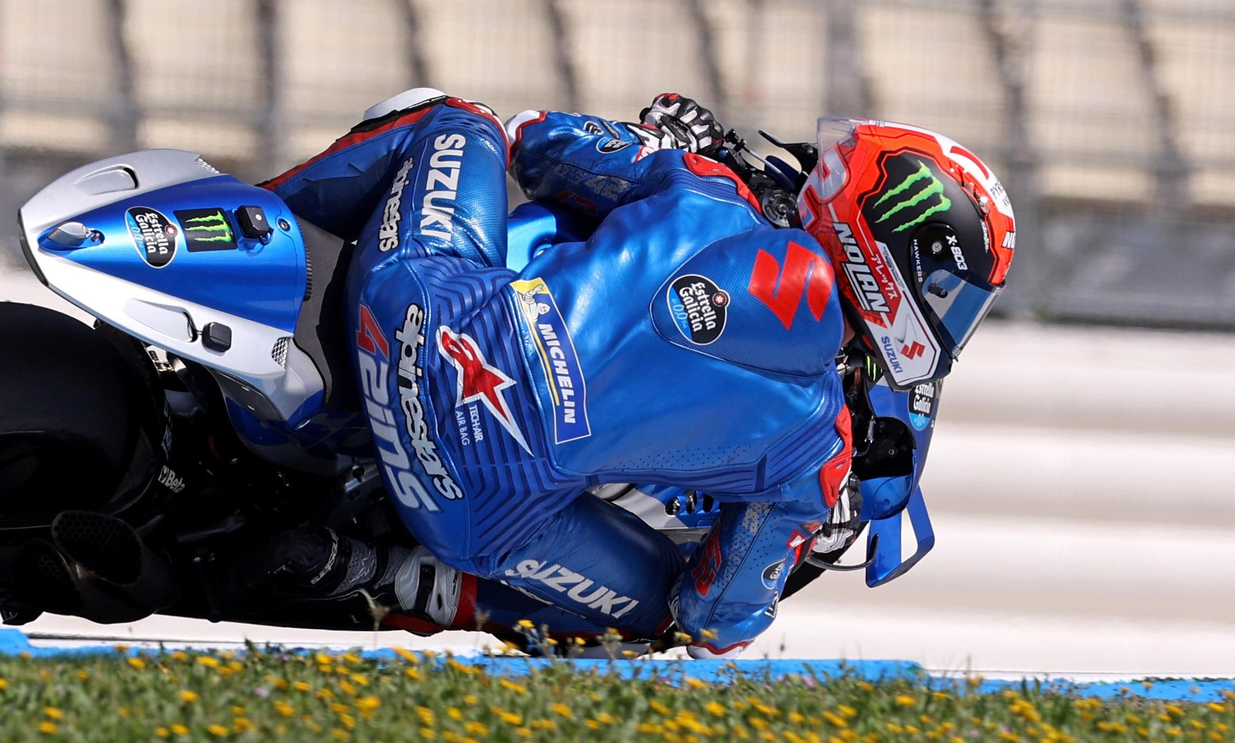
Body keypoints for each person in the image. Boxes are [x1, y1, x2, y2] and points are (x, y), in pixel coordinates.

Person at [251, 90, 1016, 657]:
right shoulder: (819, 447)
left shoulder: (709, 188)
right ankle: (384, 575)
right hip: (467, 510)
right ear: (900, 259)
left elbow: (535, 140)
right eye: (950, 296)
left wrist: (662, 143)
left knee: (456, 119)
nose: (946, 319)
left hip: (412, 326)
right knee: (660, 617)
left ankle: (252, 231)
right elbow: (717, 619)